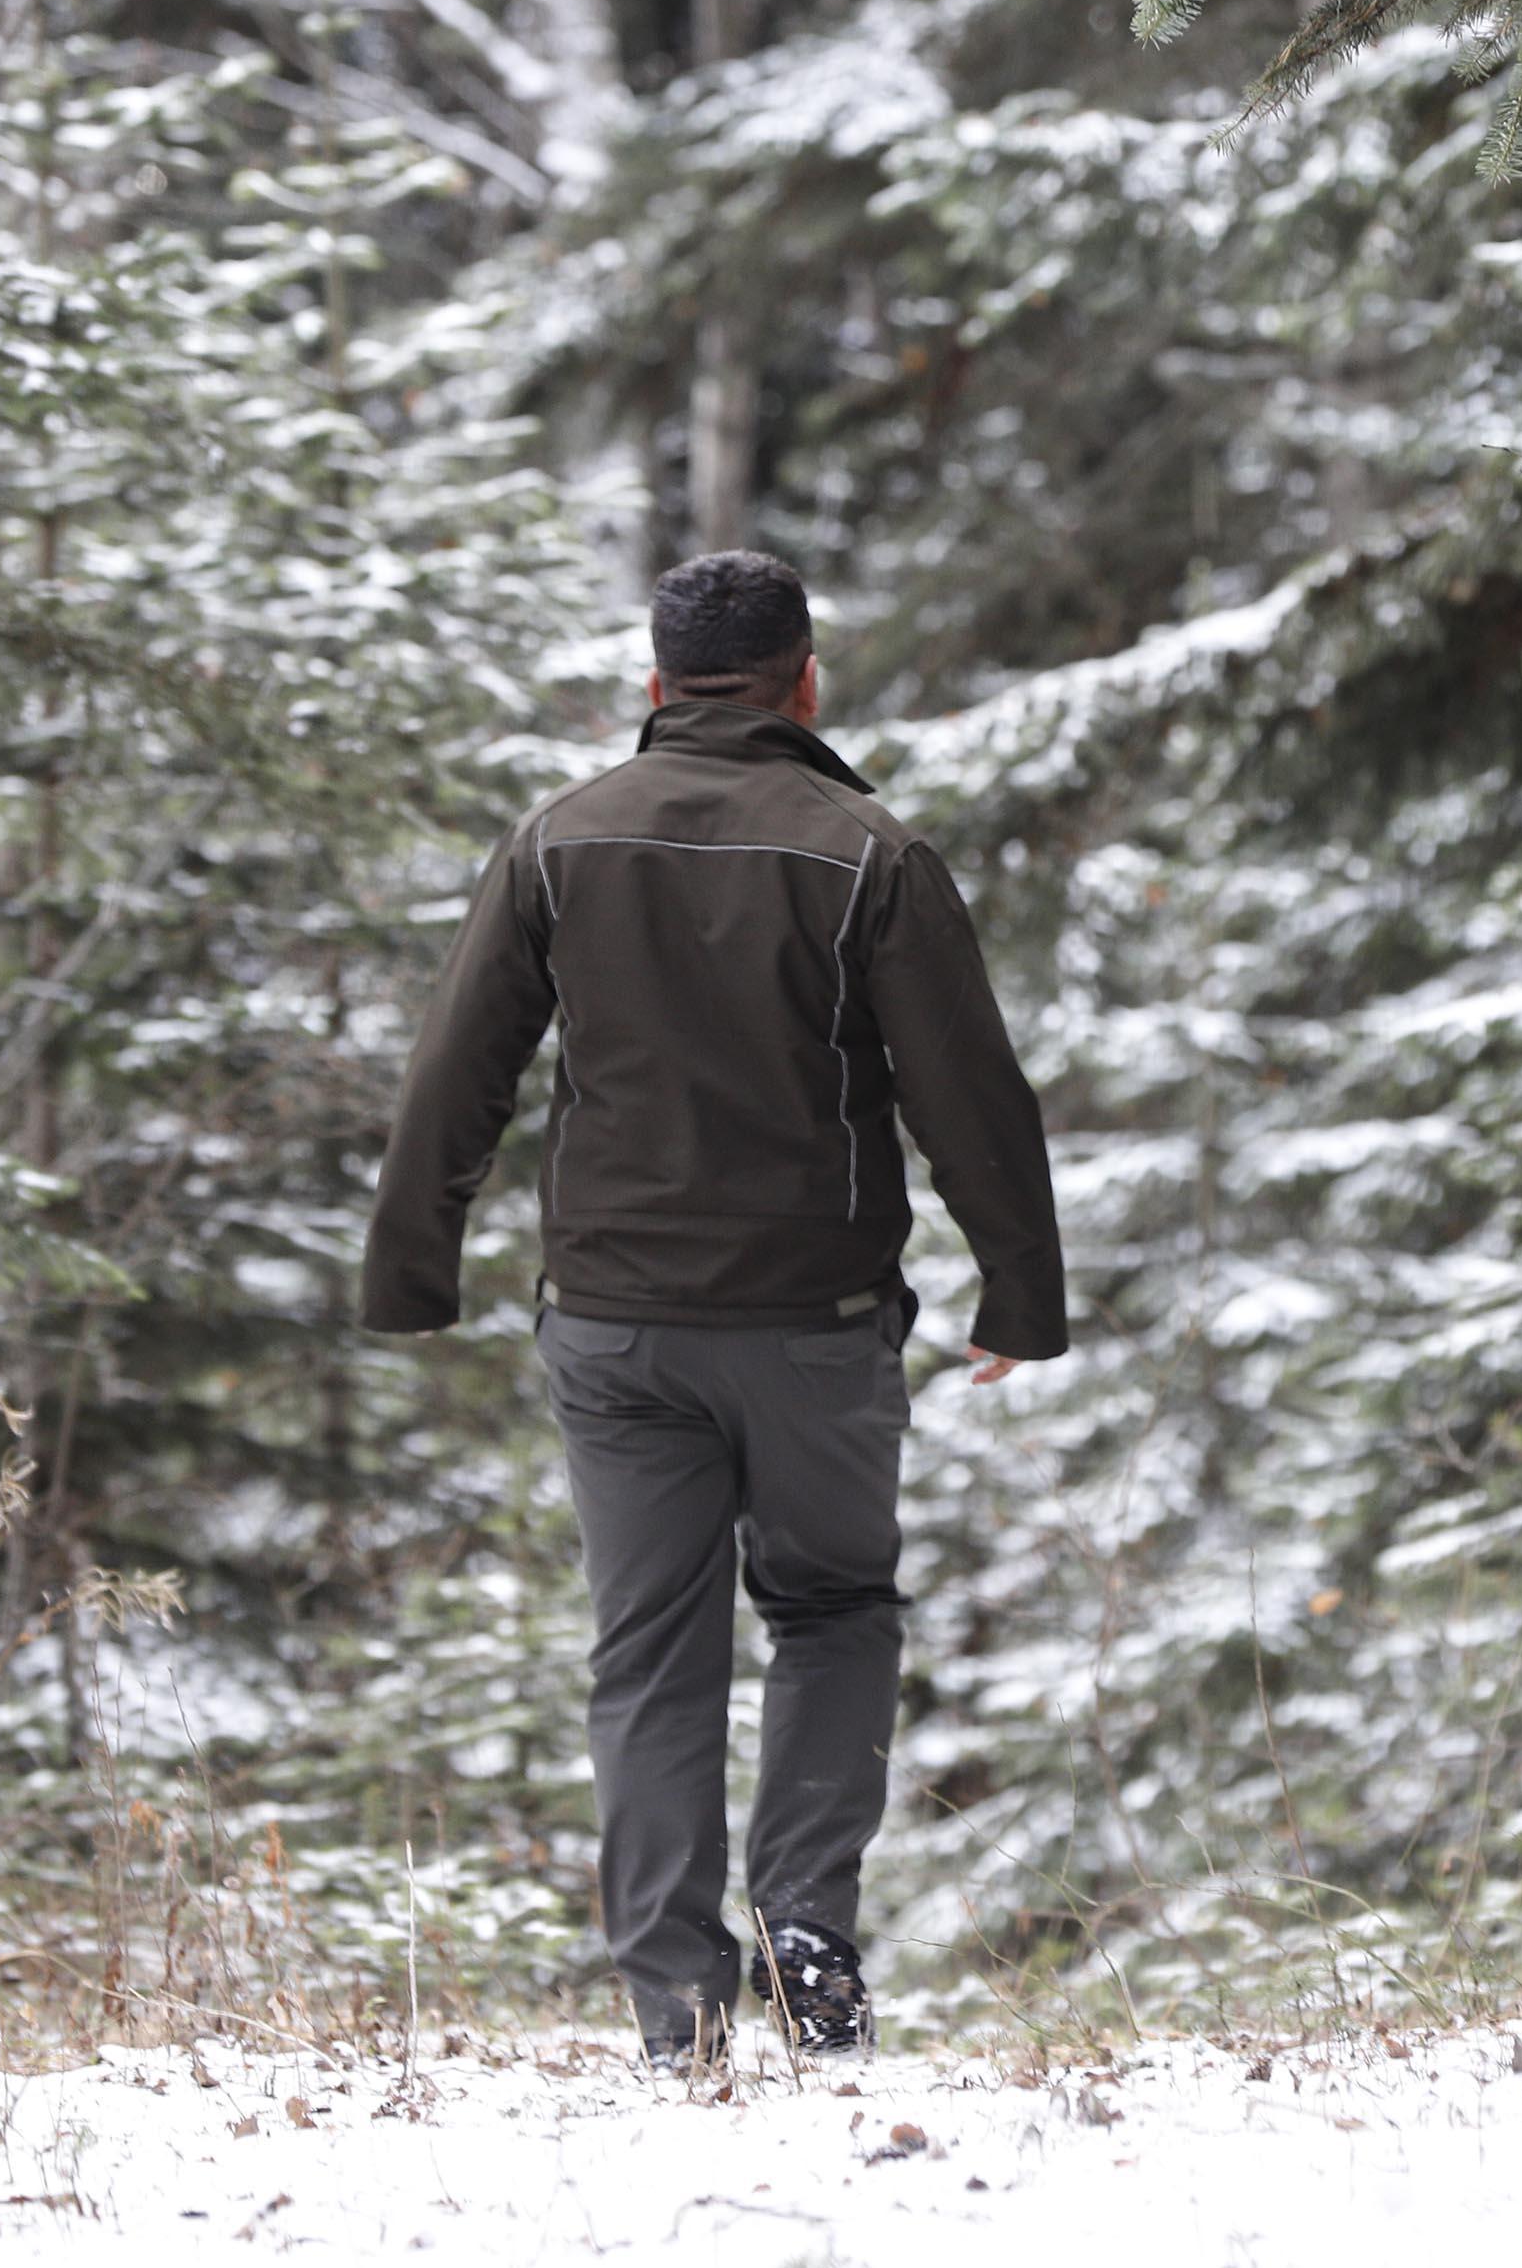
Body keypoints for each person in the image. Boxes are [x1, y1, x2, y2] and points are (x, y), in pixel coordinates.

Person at [358, 550, 1065, 2067]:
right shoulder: (866, 851)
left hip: (614, 1324)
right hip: (814, 1322)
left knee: (651, 1648)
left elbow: (456, 1074)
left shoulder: (559, 843)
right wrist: (1020, 1285)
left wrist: (411, 1269)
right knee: (830, 1609)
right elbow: (970, 1094)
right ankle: (807, 1916)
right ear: (807, 682)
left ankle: (677, 2005)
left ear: (657, 684)